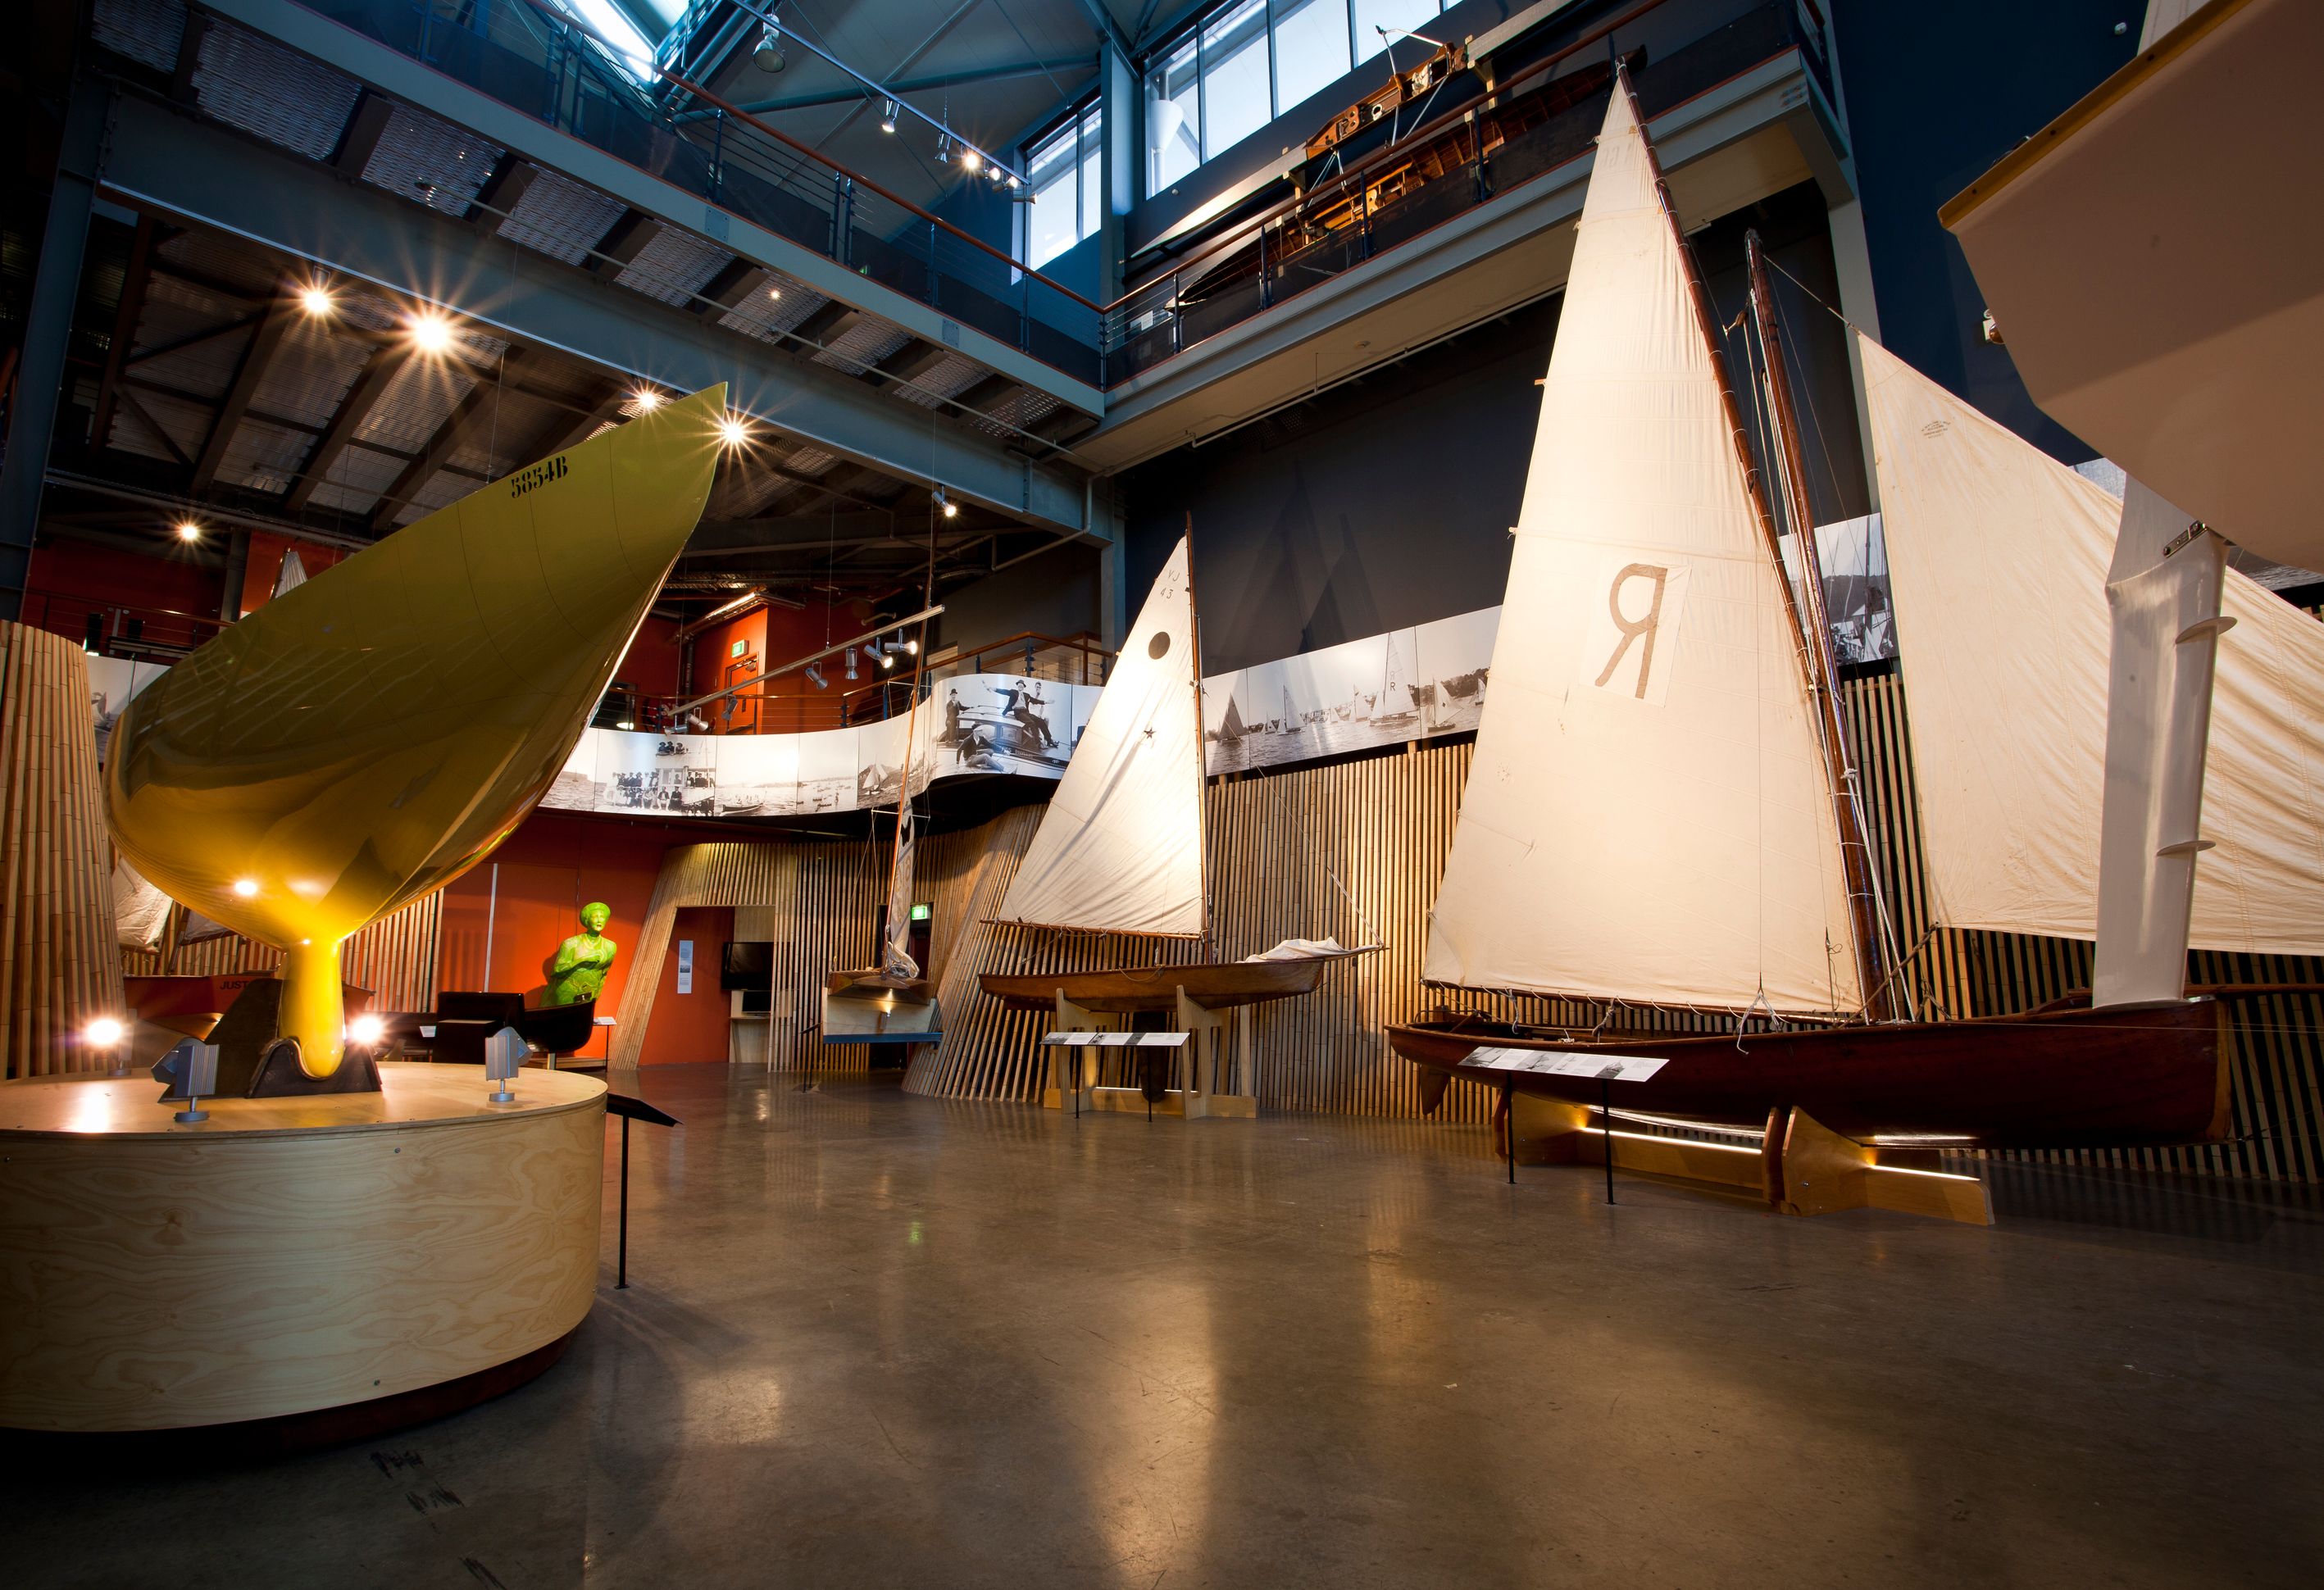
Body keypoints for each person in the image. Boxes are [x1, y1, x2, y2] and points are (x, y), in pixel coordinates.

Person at [548, 902, 618, 1006]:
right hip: (567, 991)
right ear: (587, 920)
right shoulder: (571, 943)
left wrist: (597, 994)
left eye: (602, 917)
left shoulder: (610, 946)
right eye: (595, 917)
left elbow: (604, 974)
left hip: (590, 993)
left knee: (583, 1021)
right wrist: (582, 960)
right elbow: (557, 971)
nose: (599, 920)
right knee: (563, 1022)